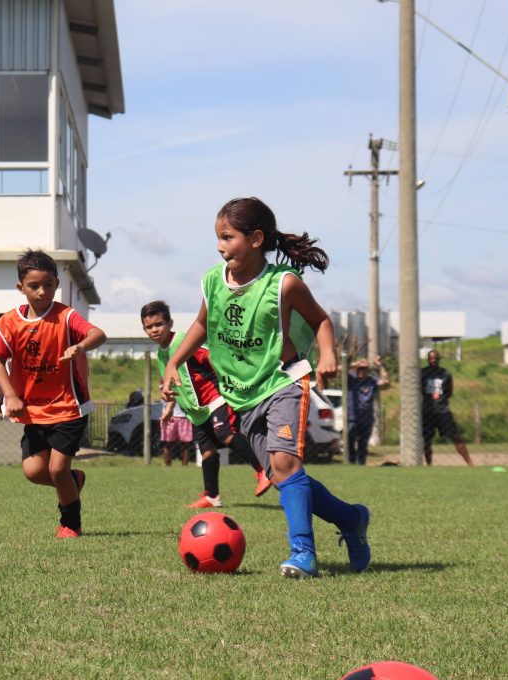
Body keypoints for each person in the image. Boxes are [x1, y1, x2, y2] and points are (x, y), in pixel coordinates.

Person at [162, 197, 371, 579]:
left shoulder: (283, 284)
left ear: (256, 238)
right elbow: (201, 326)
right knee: (281, 475)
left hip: (283, 382)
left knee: (285, 464)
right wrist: (174, 362)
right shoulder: (213, 280)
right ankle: (351, 518)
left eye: (227, 237)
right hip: (241, 394)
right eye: (218, 238)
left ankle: (303, 553)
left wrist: (328, 354)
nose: (220, 246)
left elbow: (321, 320)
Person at [0, 249, 107, 539]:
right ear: (21, 288)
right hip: (32, 410)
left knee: (57, 470)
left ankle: (71, 524)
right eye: (34, 286)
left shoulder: (66, 316)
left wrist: (80, 346)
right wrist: (10, 396)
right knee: (33, 472)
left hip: (69, 408)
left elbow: (98, 334)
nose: (43, 292)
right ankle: (74, 480)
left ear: (57, 284)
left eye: (49, 285)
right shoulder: (10, 323)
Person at [140, 300, 272, 505]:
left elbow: (210, 356)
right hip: (197, 411)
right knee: (207, 450)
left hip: (215, 398)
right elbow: (170, 383)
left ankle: (263, 469)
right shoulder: (161, 354)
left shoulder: (183, 340)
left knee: (226, 435)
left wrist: (229, 382)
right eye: (149, 327)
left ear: (170, 323)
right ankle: (212, 496)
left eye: (159, 324)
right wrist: (168, 408)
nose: (154, 330)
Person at [421, 349, 473, 466]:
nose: (433, 360)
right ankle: (429, 464)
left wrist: (439, 398)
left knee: (455, 436)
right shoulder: (423, 373)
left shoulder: (445, 374)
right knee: (427, 439)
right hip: (427, 411)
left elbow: (449, 392)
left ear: (439, 359)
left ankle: (469, 462)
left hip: (442, 410)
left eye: (435, 358)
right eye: (431, 358)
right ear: (428, 359)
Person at [347, 356, 389, 465]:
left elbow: (385, 382)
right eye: (359, 368)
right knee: (350, 440)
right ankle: (351, 462)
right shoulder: (351, 379)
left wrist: (380, 366)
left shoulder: (371, 381)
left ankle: (361, 464)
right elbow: (339, 369)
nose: (361, 371)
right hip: (352, 418)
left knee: (363, 443)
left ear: (367, 370)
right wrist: (355, 363)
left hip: (367, 418)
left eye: (364, 369)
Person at [159, 400, 193, 467]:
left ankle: (179, 466)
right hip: (173, 416)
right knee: (183, 444)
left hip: (178, 416)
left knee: (169, 444)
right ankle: (179, 466)